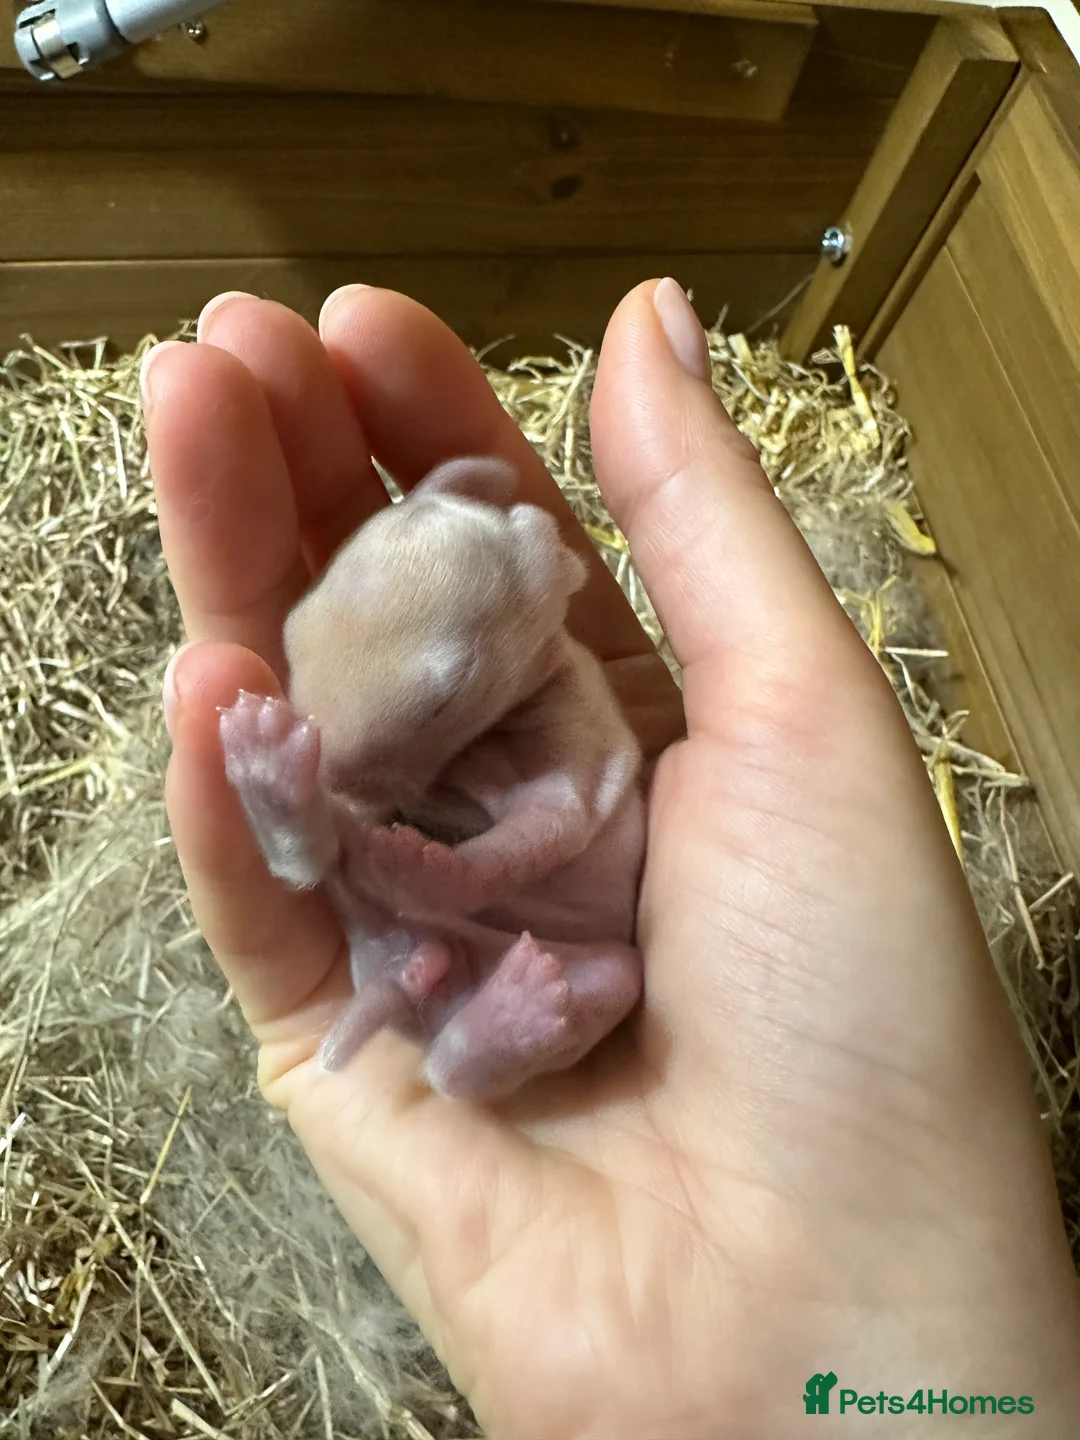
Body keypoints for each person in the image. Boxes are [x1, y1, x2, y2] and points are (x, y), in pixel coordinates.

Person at [143, 280, 1080, 1438]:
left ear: (517, 639)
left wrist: (465, 879)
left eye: (430, 698)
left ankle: (475, 1055)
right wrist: (333, 819)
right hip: (414, 908)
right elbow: (428, 572)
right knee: (332, 872)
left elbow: (563, 820)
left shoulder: (567, 708)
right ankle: (290, 813)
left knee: (609, 980)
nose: (335, 724)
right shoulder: (455, 585)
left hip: (546, 945)